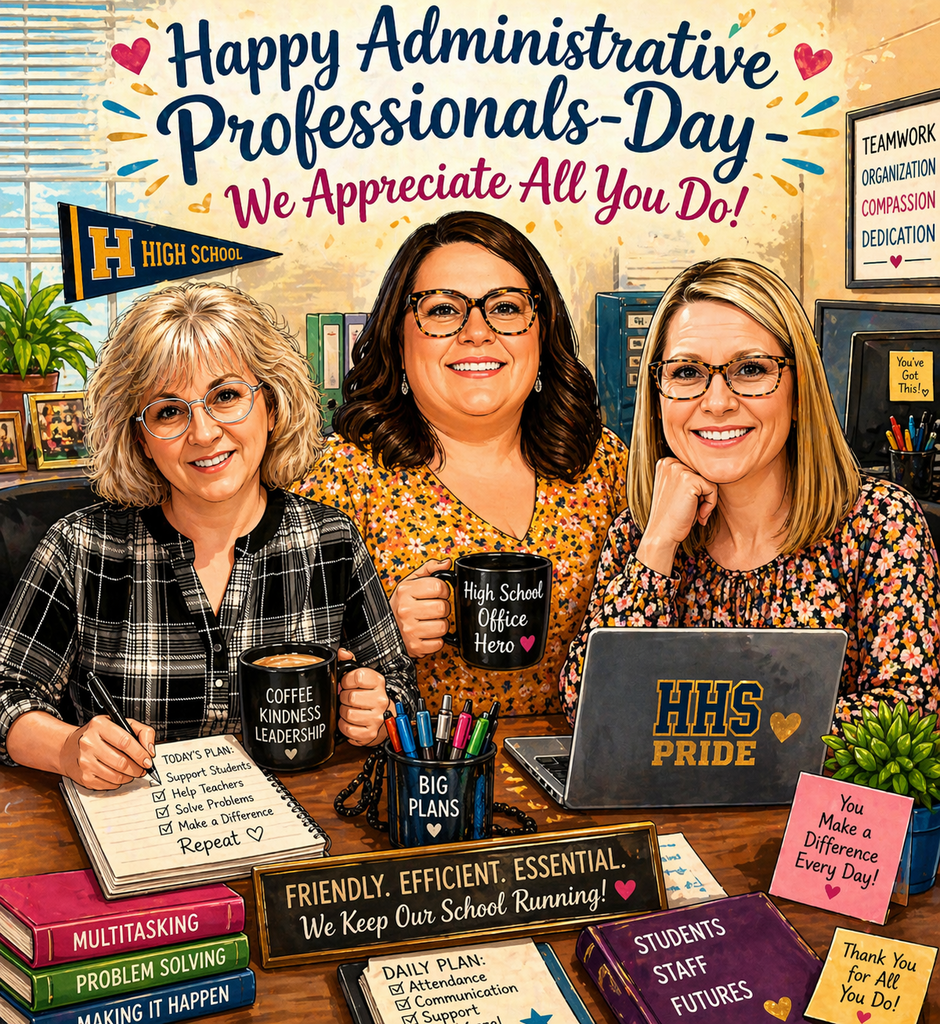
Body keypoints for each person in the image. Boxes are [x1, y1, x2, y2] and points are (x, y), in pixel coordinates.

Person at [0, 283, 417, 790]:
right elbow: (5, 694)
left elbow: (398, 685)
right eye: (169, 411)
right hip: (135, 835)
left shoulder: (332, 540)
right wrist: (68, 747)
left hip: (302, 836)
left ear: (273, 405)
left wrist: (376, 709)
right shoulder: (80, 547)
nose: (203, 433)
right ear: (141, 439)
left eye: (226, 397)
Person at [560, 257, 940, 726]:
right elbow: (589, 710)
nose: (717, 402)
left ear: (799, 392)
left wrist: (696, 718)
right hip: (670, 803)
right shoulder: (640, 534)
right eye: (686, 373)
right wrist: (657, 546)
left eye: (751, 369)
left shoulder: (879, 524)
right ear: (656, 398)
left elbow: (908, 713)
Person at [294, 211, 628, 715]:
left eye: (507, 308)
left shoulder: (604, 465)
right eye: (444, 310)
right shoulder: (337, 480)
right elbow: (277, 672)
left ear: (542, 333)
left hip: (582, 774)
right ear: (398, 338)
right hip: (414, 780)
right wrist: (378, 637)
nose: (477, 331)